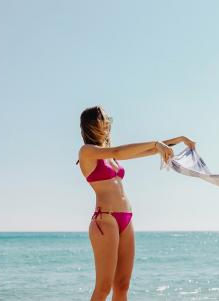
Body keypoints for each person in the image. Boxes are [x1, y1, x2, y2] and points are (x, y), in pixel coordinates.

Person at [76, 105, 195, 301]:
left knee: (123, 285)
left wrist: (179, 140)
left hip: (126, 219)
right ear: (94, 123)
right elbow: (121, 151)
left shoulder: (109, 154)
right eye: (106, 119)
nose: (109, 124)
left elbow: (148, 150)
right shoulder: (87, 152)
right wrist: (157, 143)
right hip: (105, 220)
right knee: (103, 287)